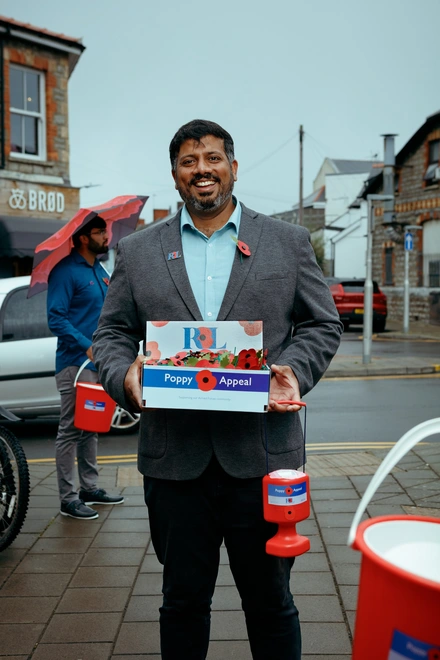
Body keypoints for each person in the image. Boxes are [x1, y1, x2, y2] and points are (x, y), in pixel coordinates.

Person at [93, 119, 343, 659]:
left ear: (232, 165)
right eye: (188, 162)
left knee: (271, 602)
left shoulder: (287, 242)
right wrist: (124, 376)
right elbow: (111, 332)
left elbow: (323, 325)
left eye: (211, 158)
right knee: (181, 603)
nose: (201, 170)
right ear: (176, 175)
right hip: (174, 461)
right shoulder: (137, 252)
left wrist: (293, 371)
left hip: (262, 457)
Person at [47, 215, 124, 520]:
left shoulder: (99, 269)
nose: (107, 236)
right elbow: (56, 318)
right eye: (100, 232)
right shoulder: (66, 272)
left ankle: (89, 488)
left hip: (98, 362)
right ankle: (68, 499)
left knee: (90, 427)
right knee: (70, 430)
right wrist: (86, 344)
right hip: (74, 364)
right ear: (83, 238)